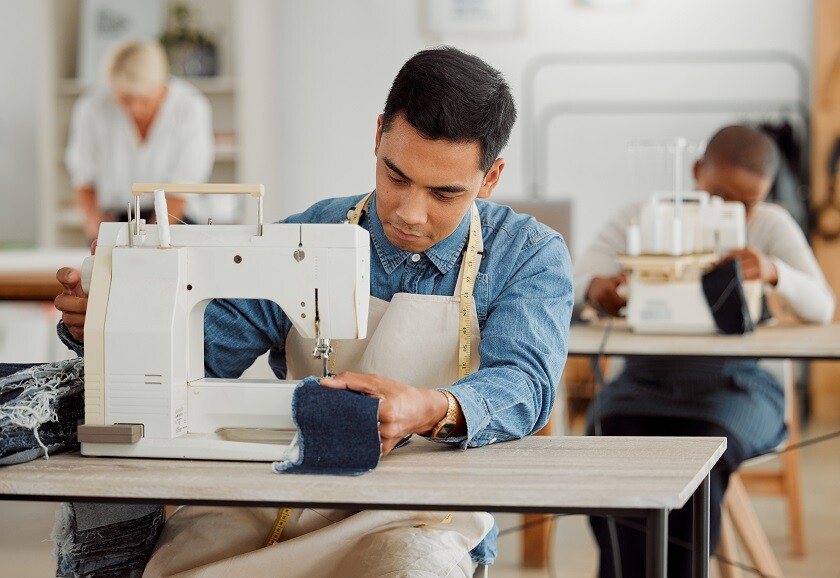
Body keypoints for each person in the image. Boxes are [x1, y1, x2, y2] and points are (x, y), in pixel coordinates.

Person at [54, 46, 573, 577]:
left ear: (490, 178)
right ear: (377, 136)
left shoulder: (527, 254)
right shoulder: (311, 233)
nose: (411, 213)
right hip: (284, 486)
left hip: (423, 515)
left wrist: (433, 407)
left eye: (444, 193)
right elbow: (208, 354)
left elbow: (526, 384)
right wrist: (113, 321)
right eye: (396, 177)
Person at [574, 125, 835, 577]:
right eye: (719, 194)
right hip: (644, 383)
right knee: (608, 433)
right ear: (697, 172)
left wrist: (775, 271)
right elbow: (572, 286)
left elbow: (822, 306)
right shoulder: (643, 217)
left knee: (702, 449)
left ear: (766, 194)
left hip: (737, 388)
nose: (732, 210)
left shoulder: (769, 226)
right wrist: (597, 290)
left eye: (746, 202)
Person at [65, 40, 217, 243]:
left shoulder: (191, 107)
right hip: (115, 221)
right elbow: (83, 178)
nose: (135, 108)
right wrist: (97, 234)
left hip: (175, 219)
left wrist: (152, 244)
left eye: (144, 99)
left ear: (161, 84)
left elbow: (183, 187)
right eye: (125, 99)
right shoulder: (91, 108)